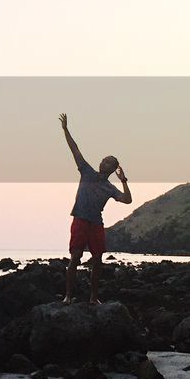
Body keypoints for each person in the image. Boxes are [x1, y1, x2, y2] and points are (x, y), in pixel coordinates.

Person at [59, 112, 131, 304]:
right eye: (103, 159)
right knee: (75, 258)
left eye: (108, 161)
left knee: (97, 261)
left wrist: (123, 180)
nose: (103, 162)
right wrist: (66, 130)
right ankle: (68, 296)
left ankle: (93, 298)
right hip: (80, 219)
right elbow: (75, 150)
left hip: (96, 224)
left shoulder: (109, 187)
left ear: (114, 167)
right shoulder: (87, 172)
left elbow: (127, 200)